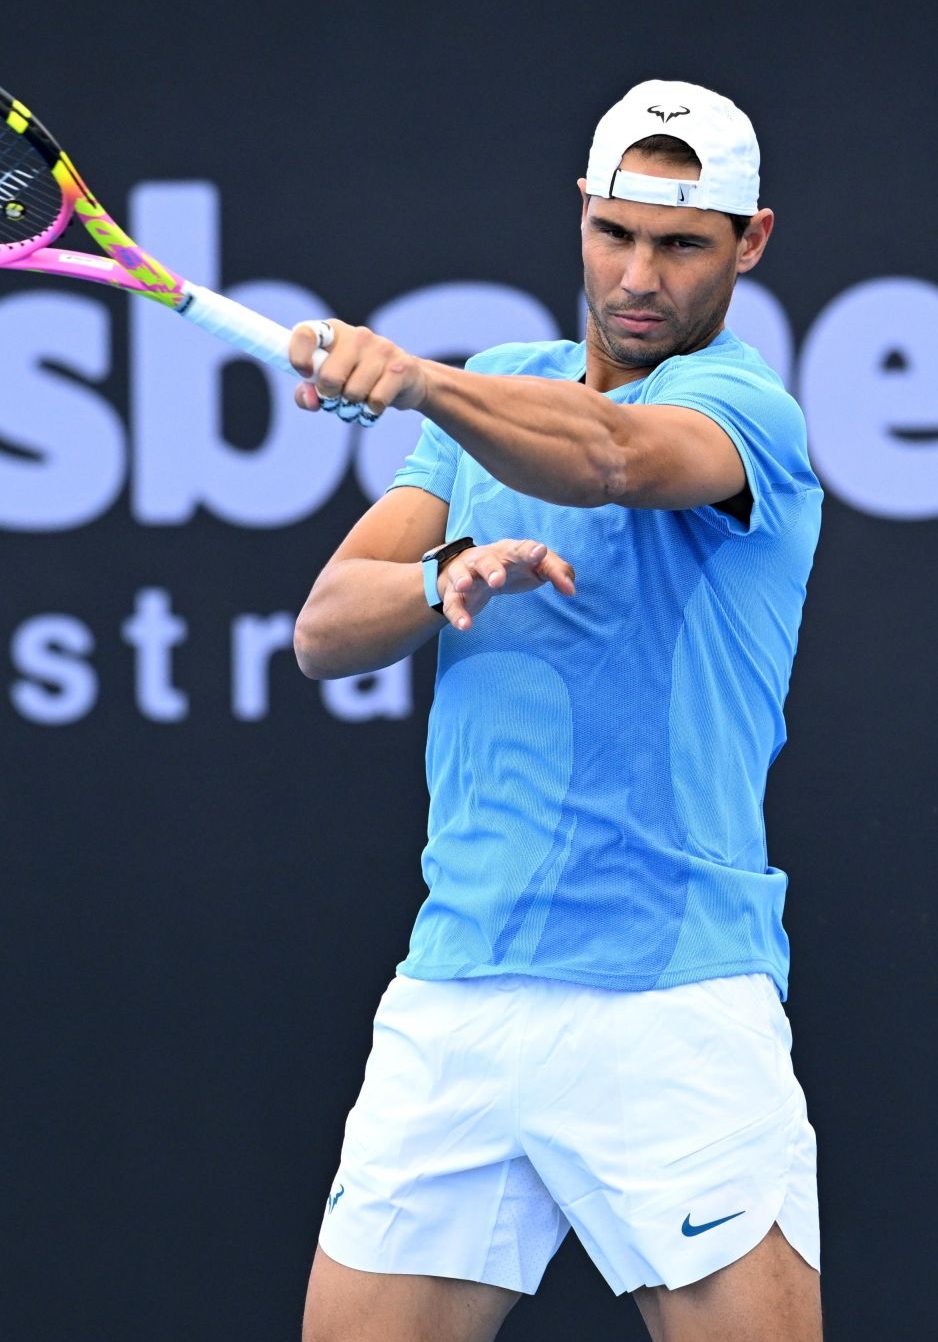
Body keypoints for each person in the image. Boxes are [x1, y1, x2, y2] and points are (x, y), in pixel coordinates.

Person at [287, 80, 825, 1342]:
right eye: (615, 233)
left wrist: (415, 382)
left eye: (682, 245)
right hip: (458, 992)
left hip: (671, 1005)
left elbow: (610, 459)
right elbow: (322, 630)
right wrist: (438, 578)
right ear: (580, 214)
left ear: (748, 242)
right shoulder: (495, 390)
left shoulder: (747, 412)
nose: (639, 275)